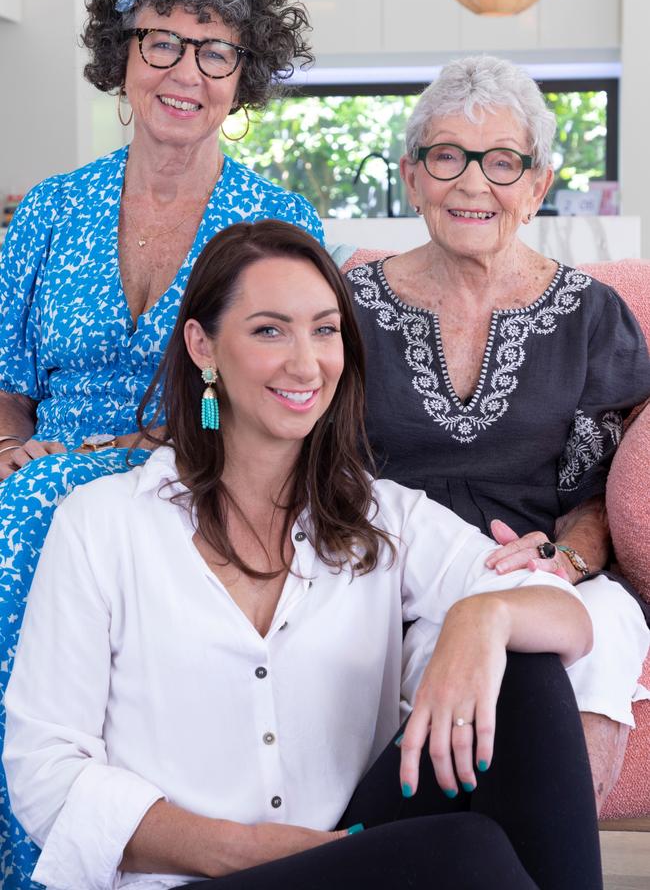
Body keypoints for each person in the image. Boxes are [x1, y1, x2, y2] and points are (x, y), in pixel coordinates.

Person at [3, 220, 601, 890]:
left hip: (345, 851)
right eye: (269, 330)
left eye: (324, 330)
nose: (306, 362)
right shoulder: (104, 523)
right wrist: (249, 850)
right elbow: (43, 775)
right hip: (194, 877)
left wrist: (480, 621)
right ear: (204, 346)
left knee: (522, 660)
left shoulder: (378, 514)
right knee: (466, 855)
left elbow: (565, 613)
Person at [0, 0, 326, 889]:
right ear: (122, 55)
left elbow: (288, 394)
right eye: (162, 43)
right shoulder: (52, 211)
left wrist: (154, 448)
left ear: (244, 73)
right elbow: (9, 386)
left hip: (203, 469)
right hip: (41, 479)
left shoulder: (276, 221)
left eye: (215, 50)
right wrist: (11, 448)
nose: (187, 72)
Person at [344, 54, 650, 813]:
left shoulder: (590, 315)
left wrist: (569, 557)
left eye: (503, 162)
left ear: (538, 185)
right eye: (447, 157)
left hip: (537, 573)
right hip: (387, 572)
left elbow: (596, 495)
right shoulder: (346, 304)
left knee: (579, 637)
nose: (473, 183)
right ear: (413, 178)